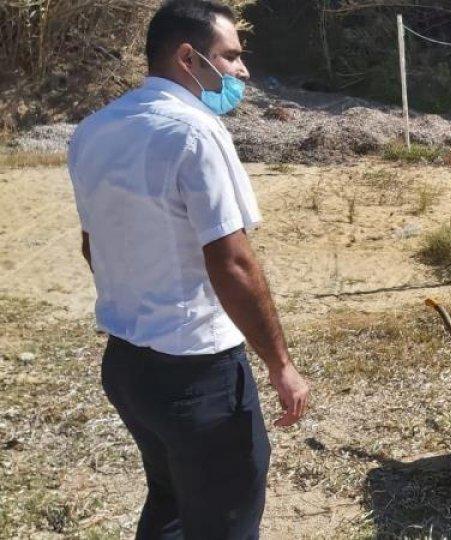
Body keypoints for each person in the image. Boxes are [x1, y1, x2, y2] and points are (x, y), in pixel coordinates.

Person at [66, 1, 310, 537]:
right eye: (231, 56)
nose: (242, 71)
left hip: (128, 365)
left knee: (171, 500)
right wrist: (281, 364)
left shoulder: (93, 131)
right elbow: (233, 262)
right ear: (188, 57)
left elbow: (93, 244)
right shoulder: (196, 133)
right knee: (227, 514)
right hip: (197, 372)